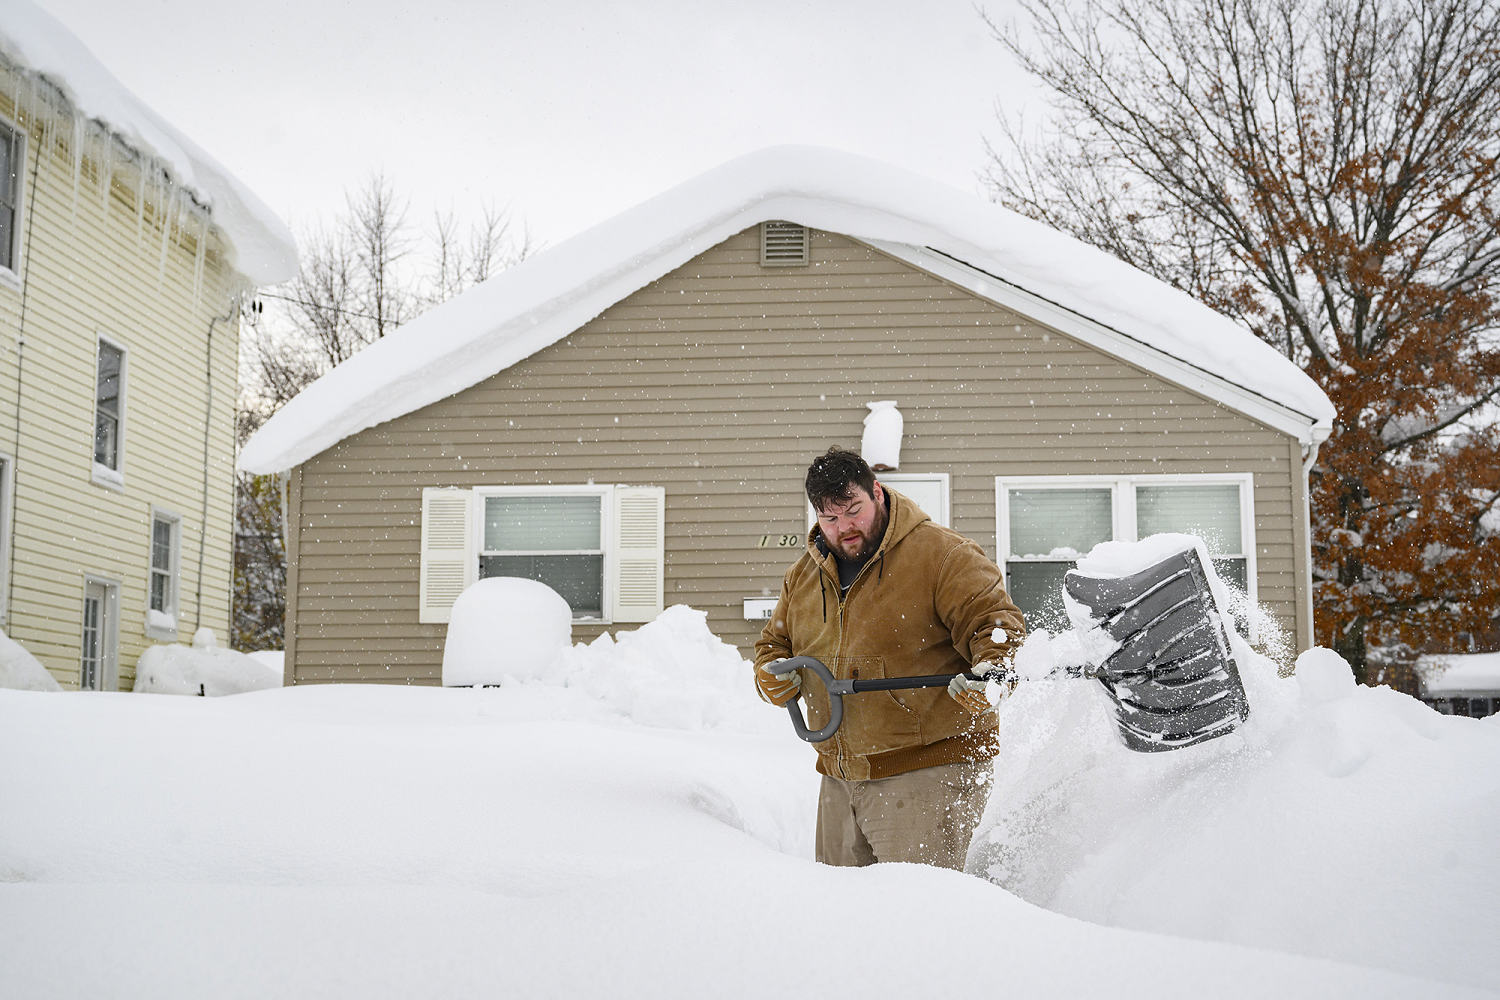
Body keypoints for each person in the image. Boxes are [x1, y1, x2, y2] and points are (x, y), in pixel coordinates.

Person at [754, 447, 1026, 871]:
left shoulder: (941, 555)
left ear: (877, 492)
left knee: (919, 920)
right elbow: (774, 646)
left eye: (853, 511)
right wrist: (770, 676)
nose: (844, 528)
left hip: (927, 771)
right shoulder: (805, 575)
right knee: (841, 922)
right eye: (830, 518)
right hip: (839, 777)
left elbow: (996, 624)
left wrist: (990, 673)